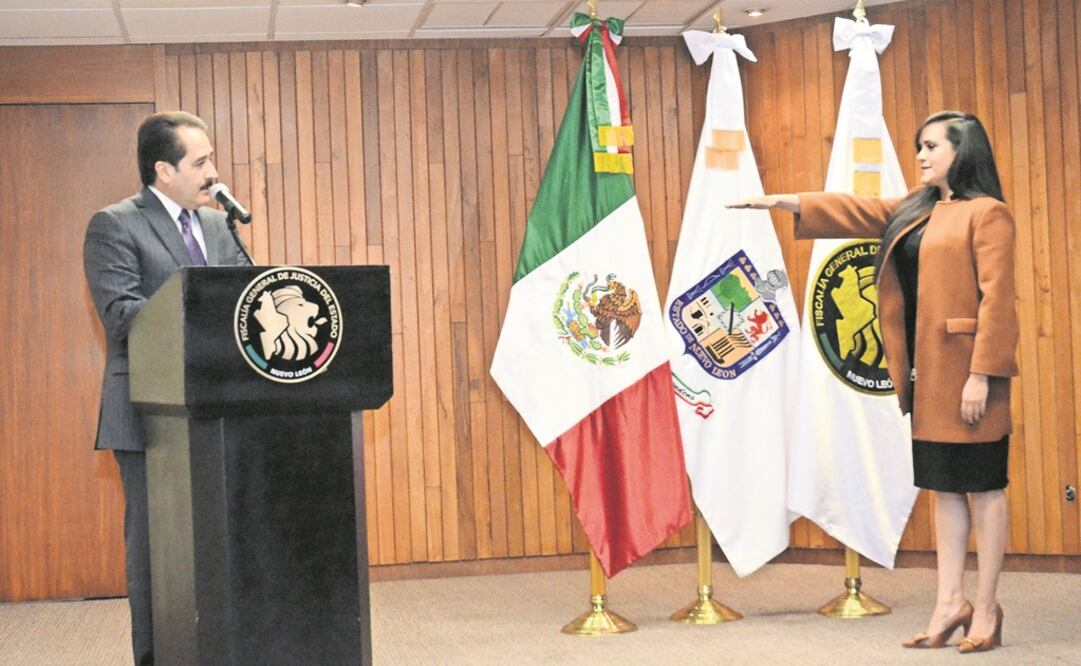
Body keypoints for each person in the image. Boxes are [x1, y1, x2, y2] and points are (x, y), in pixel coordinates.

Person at [730, 111, 1017, 654]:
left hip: (972, 375)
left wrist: (982, 374)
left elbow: (999, 301)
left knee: (984, 490)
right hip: (929, 377)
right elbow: (859, 210)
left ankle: (985, 607)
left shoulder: (989, 213)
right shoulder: (918, 208)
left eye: (932, 146)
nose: (922, 155)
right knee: (945, 490)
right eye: (919, 146)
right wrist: (782, 201)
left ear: (964, 150)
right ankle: (948, 602)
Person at [83, 111, 252, 665]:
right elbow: (122, 314)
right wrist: (197, 310)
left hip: (220, 407)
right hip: (151, 415)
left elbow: (245, 300)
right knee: (159, 548)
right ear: (163, 170)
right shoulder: (114, 224)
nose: (213, 172)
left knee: (222, 541)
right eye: (201, 162)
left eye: (212, 159)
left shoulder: (216, 226)